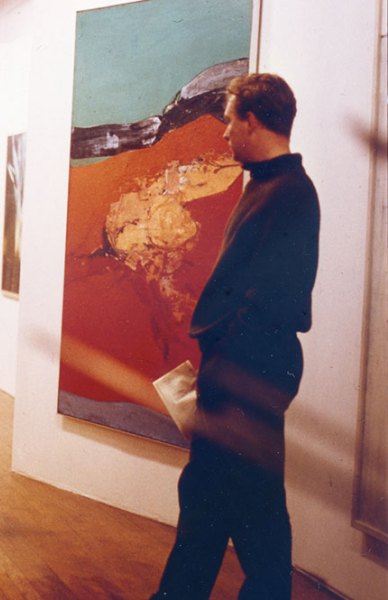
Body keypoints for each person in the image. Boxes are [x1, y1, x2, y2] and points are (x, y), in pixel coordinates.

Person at [151, 73, 320, 599]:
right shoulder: (267, 186)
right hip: (244, 370)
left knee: (238, 504)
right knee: (226, 501)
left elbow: (278, 298)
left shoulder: (290, 193)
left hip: (252, 371)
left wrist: (227, 356)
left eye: (228, 121)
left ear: (251, 119)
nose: (223, 134)